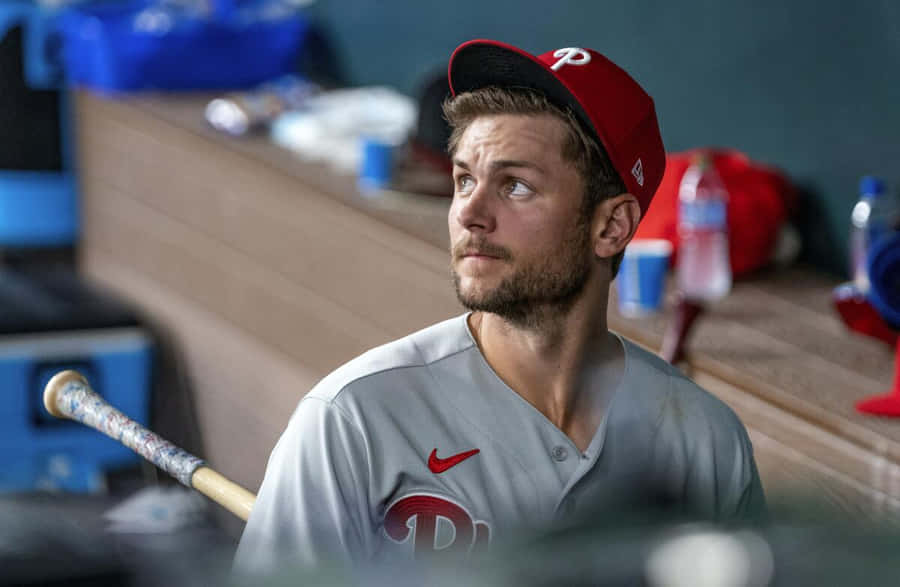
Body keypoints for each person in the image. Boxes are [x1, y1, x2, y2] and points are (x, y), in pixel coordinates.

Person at [233, 39, 766, 575]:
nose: (469, 212)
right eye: (465, 179)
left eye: (515, 186)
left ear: (611, 226)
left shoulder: (705, 440)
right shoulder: (353, 419)